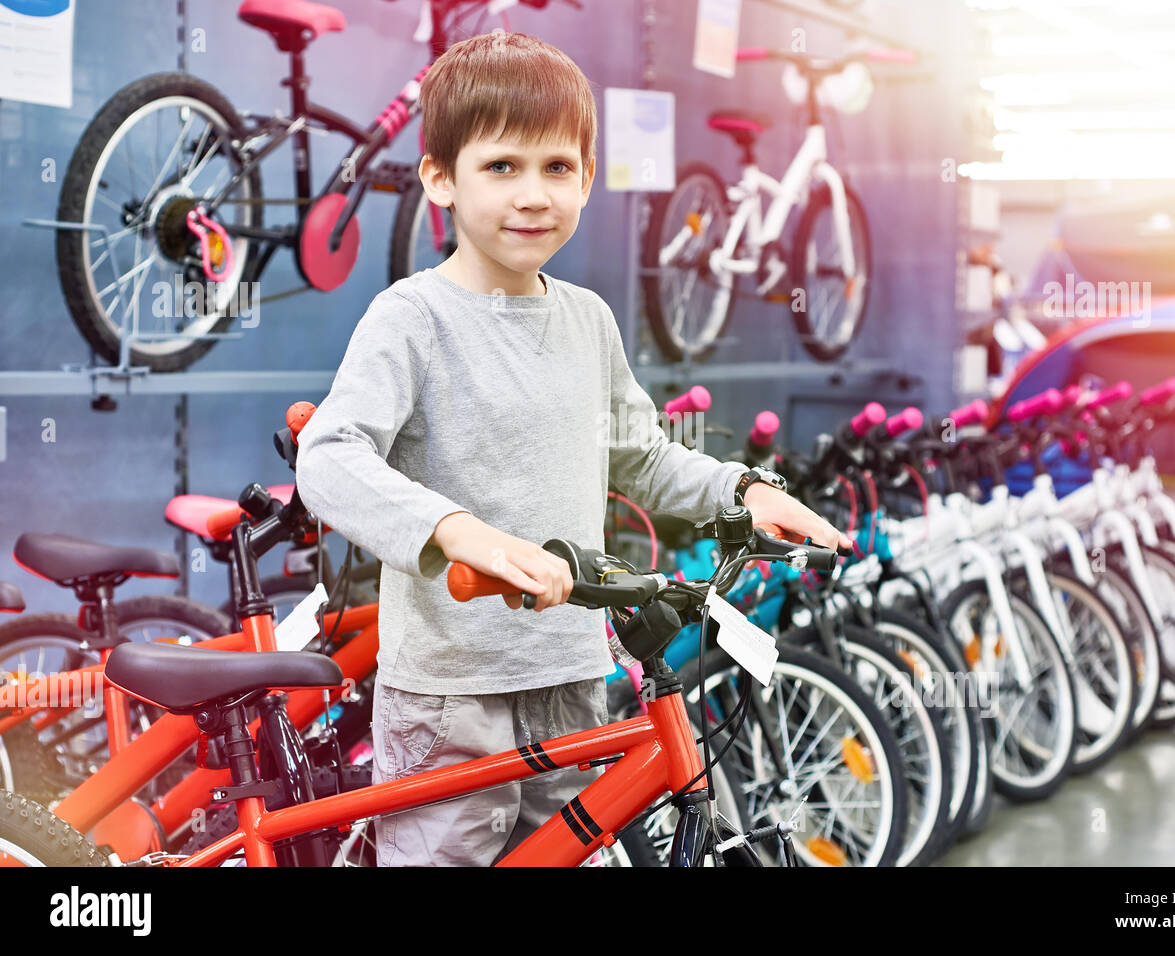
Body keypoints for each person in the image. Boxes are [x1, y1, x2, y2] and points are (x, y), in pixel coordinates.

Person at [294, 33, 849, 867]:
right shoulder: (413, 318)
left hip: (570, 678)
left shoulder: (587, 319)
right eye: (502, 167)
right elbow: (329, 456)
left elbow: (641, 456)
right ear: (440, 177)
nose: (534, 195)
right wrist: (457, 531)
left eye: (558, 168)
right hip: (451, 695)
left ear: (588, 179)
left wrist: (743, 492)